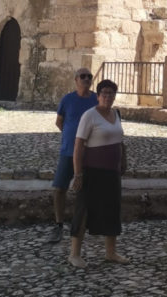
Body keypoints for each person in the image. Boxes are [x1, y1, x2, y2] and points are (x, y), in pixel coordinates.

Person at [68, 78, 128, 268]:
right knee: (84, 210)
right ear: (98, 95)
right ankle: (74, 253)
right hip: (92, 171)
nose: (108, 97)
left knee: (112, 210)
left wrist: (123, 161)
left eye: (111, 93)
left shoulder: (116, 114)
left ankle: (111, 252)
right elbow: (78, 145)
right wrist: (78, 174)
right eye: (104, 93)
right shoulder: (90, 116)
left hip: (112, 172)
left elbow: (120, 140)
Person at [48, 68, 98, 243]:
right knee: (59, 188)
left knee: (87, 190)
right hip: (68, 151)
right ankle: (59, 224)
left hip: (90, 152)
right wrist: (72, 137)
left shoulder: (95, 100)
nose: (86, 79)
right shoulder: (67, 99)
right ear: (76, 79)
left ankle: (83, 225)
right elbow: (59, 121)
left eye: (89, 77)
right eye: (83, 76)